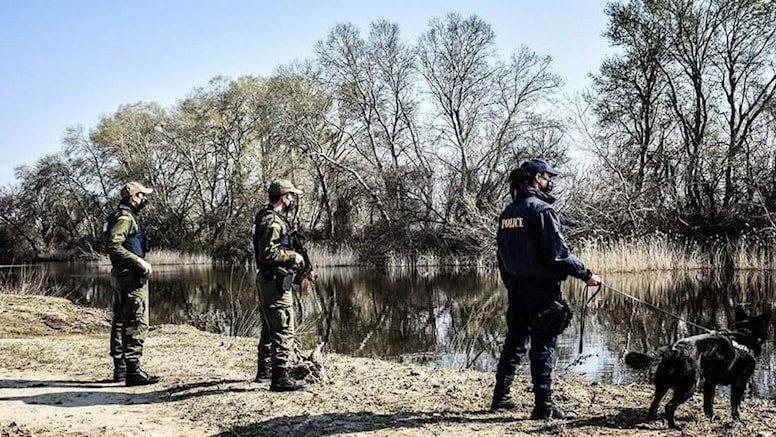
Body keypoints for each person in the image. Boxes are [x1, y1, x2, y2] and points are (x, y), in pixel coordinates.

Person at [491, 158, 602, 419]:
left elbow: (501, 256)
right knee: (544, 344)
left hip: (517, 288)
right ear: (534, 178)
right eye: (546, 176)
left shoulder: (508, 214)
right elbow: (558, 254)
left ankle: (500, 398)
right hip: (542, 289)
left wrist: (512, 284)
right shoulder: (541, 211)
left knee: (514, 342)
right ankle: (544, 406)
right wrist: (586, 274)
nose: (550, 181)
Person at [251, 179, 307, 392]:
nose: (293, 200)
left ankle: (265, 371)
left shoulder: (265, 217)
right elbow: (267, 253)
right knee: (284, 327)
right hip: (274, 282)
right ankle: (280, 378)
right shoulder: (273, 222)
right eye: (291, 196)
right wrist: (293, 256)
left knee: (269, 326)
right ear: (284, 197)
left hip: (268, 281)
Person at [105, 181, 159, 386]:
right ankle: (133, 371)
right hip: (131, 277)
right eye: (142, 195)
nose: (145, 199)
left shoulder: (119, 215)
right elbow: (113, 245)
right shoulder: (125, 218)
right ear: (133, 197)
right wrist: (139, 261)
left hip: (121, 276)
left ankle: (120, 369)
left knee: (119, 321)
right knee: (137, 321)